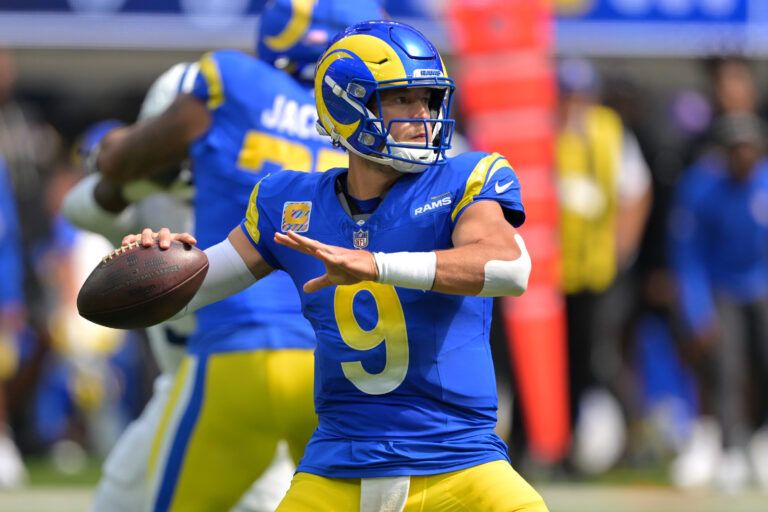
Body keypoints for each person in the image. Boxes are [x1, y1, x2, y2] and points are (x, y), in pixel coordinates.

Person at [120, 20, 547, 511]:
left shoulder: (465, 178)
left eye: (429, 99)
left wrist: (377, 265)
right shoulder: (289, 201)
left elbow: (509, 267)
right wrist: (154, 266)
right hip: (337, 473)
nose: (424, 115)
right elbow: (192, 289)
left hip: (461, 467)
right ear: (349, 105)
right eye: (403, 98)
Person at [74, 2, 383, 510]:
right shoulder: (370, 140)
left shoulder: (231, 81)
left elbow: (115, 167)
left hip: (236, 353)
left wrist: (114, 158)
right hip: (341, 364)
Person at [555, 57, 652, 475]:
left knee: (597, 356)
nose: (572, 104)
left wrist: (620, 249)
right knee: (549, 360)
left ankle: (633, 435)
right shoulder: (542, 130)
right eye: (566, 95)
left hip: (596, 270)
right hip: (545, 273)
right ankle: (547, 445)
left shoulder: (609, 132)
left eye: (579, 95)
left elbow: (636, 191)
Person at [668, 112, 768, 492]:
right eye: (736, 149)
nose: (743, 156)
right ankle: (731, 450)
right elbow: (689, 255)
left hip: (761, 285)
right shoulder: (701, 188)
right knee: (726, 368)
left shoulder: (764, 183)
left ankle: (760, 439)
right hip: (721, 288)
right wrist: (699, 311)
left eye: (749, 148)